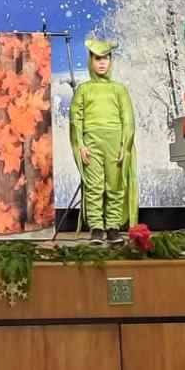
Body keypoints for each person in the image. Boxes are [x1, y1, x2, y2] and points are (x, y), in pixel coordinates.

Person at [68, 39, 137, 245]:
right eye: (97, 59)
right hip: (92, 144)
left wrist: (125, 146)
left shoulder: (119, 89)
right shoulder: (83, 89)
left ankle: (113, 227)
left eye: (105, 59)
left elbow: (128, 119)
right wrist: (80, 145)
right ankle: (96, 228)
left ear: (110, 61)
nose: (102, 63)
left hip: (115, 143)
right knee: (94, 186)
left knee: (115, 186)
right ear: (91, 61)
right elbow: (75, 119)